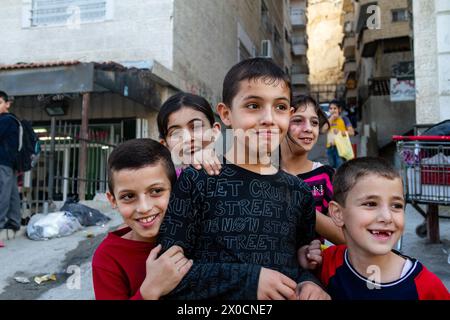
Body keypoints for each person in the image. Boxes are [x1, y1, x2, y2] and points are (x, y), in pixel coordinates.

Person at [158, 58, 330, 300]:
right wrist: (248, 281)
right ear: (226, 114)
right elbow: (167, 277)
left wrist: (309, 283)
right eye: (253, 105)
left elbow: (300, 262)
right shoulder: (198, 180)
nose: (269, 118)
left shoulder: (299, 193)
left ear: (289, 115)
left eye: (280, 107)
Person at [314, 157, 450, 299]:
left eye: (396, 206)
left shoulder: (426, 287)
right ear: (338, 213)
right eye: (371, 204)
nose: (387, 217)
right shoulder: (327, 262)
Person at [92, 139, 193, 300]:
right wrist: (149, 291)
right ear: (113, 200)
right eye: (129, 196)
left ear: (175, 190)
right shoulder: (108, 258)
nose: (144, 208)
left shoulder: (197, 234)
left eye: (156, 191)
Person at [281, 95, 345, 245]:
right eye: (297, 120)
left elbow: (344, 236)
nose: (309, 129)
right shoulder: (263, 173)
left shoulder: (325, 175)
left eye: (314, 122)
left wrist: (303, 207)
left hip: (312, 264)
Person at [157, 92, 222, 177]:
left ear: (215, 132)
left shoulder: (238, 170)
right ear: (165, 146)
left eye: (196, 127)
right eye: (176, 133)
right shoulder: (166, 185)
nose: (187, 138)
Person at [0, 91, 21, 235]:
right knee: (11, 191)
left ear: (7, 104)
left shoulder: (5, 120)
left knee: (3, 191)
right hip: (9, 162)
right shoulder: (12, 120)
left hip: (3, 161)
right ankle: (14, 220)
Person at [326, 100, 354, 169]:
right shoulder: (328, 120)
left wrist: (340, 132)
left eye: (335, 108)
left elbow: (352, 132)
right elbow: (323, 129)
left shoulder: (344, 119)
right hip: (330, 148)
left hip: (341, 148)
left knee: (340, 168)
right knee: (331, 169)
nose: (332, 110)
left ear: (339, 109)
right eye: (331, 108)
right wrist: (331, 119)